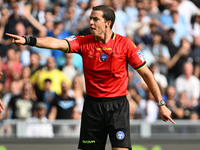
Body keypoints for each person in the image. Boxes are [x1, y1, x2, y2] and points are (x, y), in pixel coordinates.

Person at [6, 5, 175, 150]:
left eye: (95, 19)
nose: (91, 23)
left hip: (117, 106)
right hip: (93, 106)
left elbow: (147, 74)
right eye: (90, 19)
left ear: (108, 24)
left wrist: (161, 104)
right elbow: (56, 43)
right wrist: (28, 40)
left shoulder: (125, 45)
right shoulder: (84, 42)